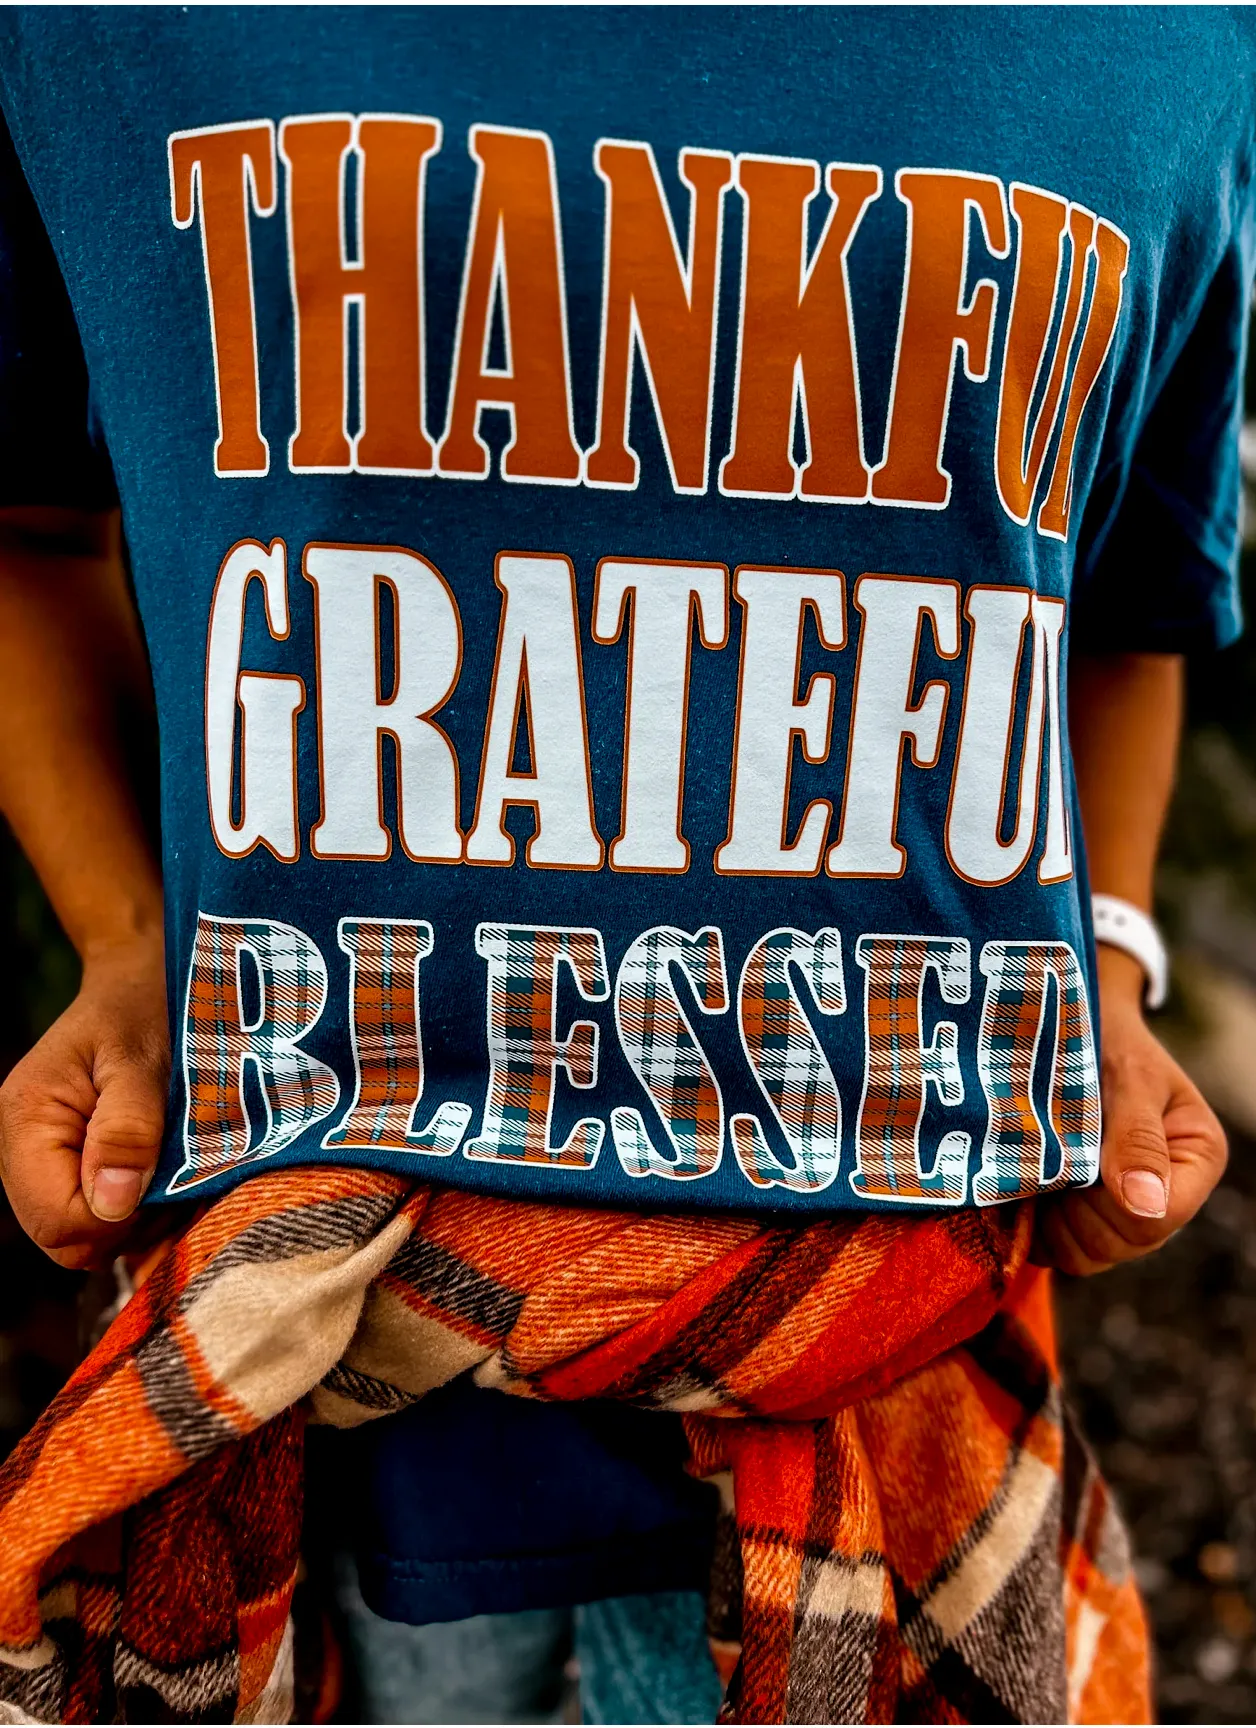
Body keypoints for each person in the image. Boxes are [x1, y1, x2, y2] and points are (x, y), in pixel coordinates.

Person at [0, 6, 1248, 1722]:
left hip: (883, 1376)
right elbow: (30, 523)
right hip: (311, 1370)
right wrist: (128, 942)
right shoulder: (92, 30)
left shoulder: (1170, 39)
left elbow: (1124, 606)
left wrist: (1098, 971)